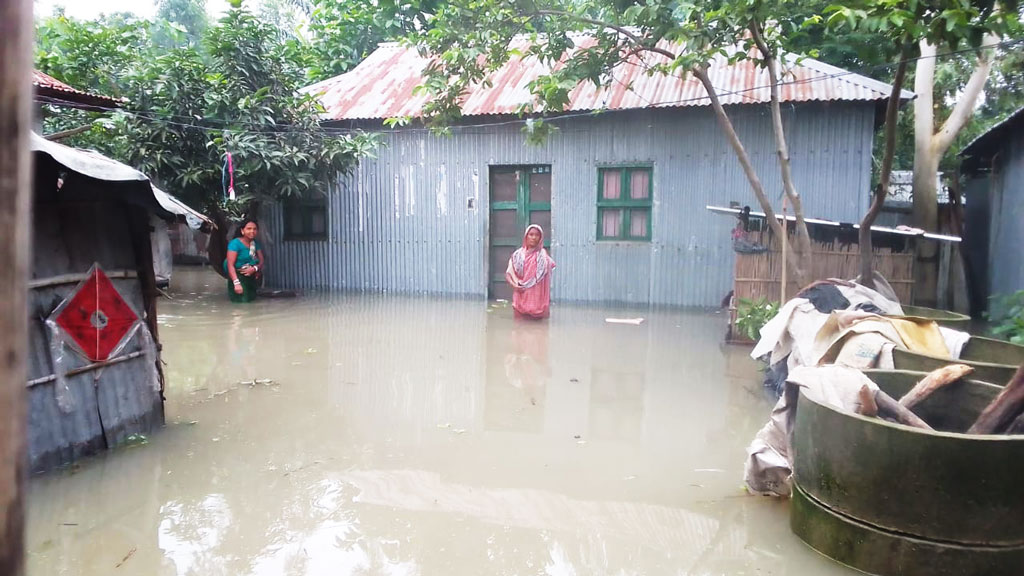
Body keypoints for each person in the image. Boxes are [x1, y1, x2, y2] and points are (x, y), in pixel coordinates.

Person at [505, 224, 555, 319]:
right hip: (520, 299)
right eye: (531, 234)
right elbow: (509, 273)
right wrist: (514, 285)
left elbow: (550, 270)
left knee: (539, 331)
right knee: (518, 329)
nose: (533, 237)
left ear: (540, 238)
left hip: (538, 303)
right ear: (526, 236)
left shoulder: (544, 258)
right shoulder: (517, 255)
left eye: (537, 235)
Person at [224, 219, 265, 303]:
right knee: (240, 303)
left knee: (251, 300)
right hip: (237, 276)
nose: (252, 231)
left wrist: (255, 269)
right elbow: (230, 265)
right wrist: (236, 283)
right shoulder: (235, 244)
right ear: (242, 231)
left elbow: (261, 260)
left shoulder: (255, 243)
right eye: (249, 228)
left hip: (251, 276)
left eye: (254, 229)